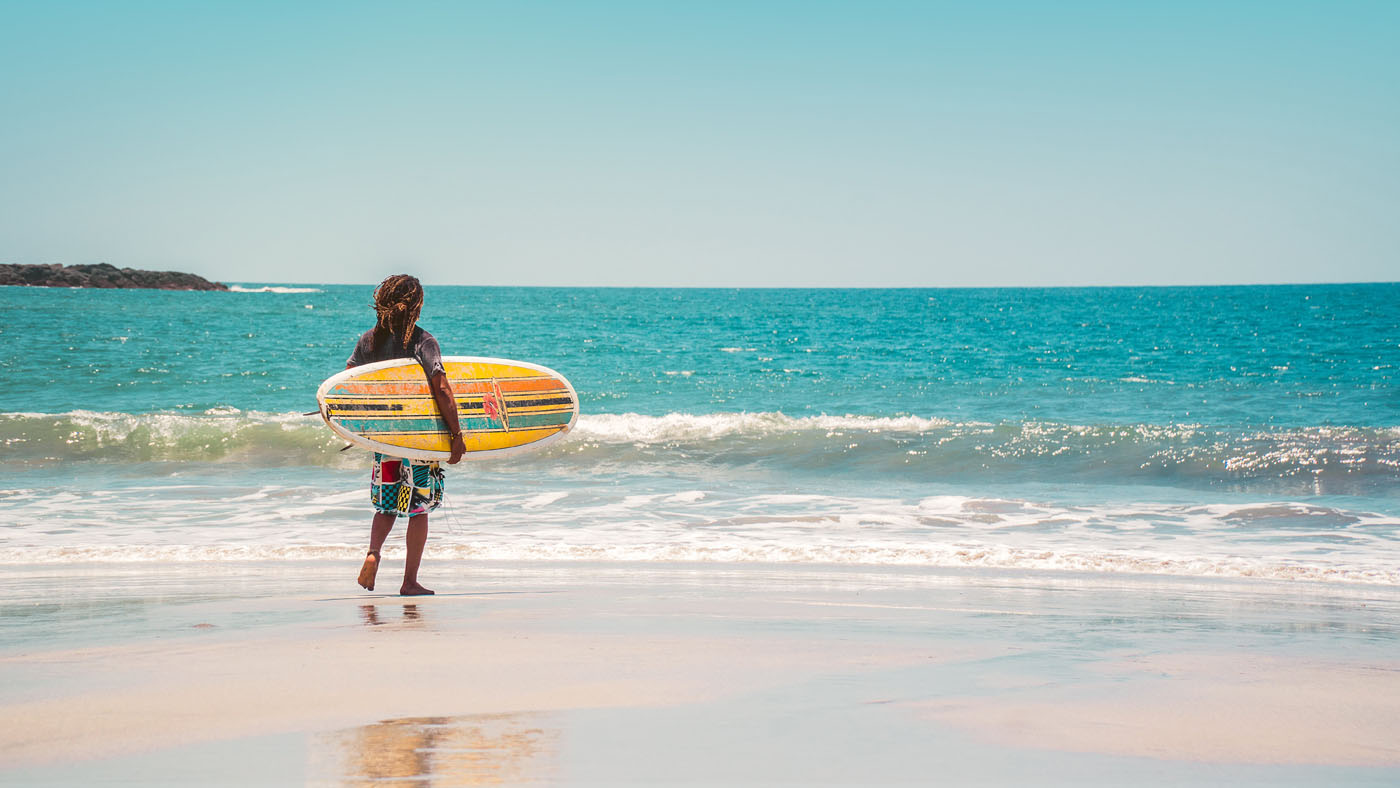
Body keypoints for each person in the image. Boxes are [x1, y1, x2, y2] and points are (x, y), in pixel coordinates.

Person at [347, 274, 466, 596]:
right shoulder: (423, 341)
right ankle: (409, 581)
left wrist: (360, 429)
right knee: (418, 509)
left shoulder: (368, 341)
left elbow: (348, 384)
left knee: (386, 507)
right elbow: (441, 388)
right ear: (417, 305)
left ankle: (373, 553)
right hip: (419, 441)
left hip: (384, 441)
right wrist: (456, 434)